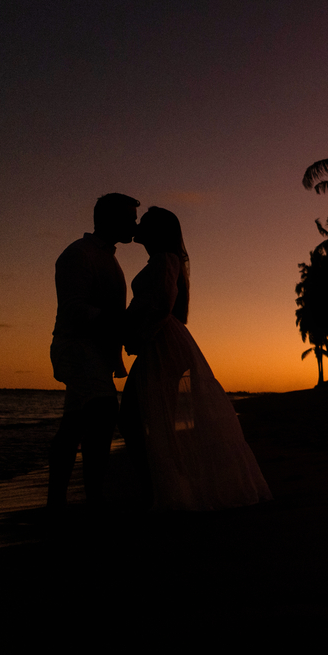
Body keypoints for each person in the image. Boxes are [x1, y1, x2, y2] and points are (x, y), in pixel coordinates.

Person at [119, 206, 272, 510]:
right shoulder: (165, 259)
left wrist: (138, 334)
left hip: (162, 343)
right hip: (164, 342)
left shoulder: (164, 259)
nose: (138, 225)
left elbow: (162, 303)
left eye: (145, 222)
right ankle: (168, 488)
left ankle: (163, 491)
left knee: (139, 418)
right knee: (148, 418)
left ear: (157, 231)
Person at [48, 192, 140, 509]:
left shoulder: (107, 257)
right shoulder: (79, 254)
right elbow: (73, 309)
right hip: (77, 350)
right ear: (109, 219)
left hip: (96, 355)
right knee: (103, 413)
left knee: (73, 426)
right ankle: (94, 501)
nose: (134, 225)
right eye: (129, 219)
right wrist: (120, 322)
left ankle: (57, 502)